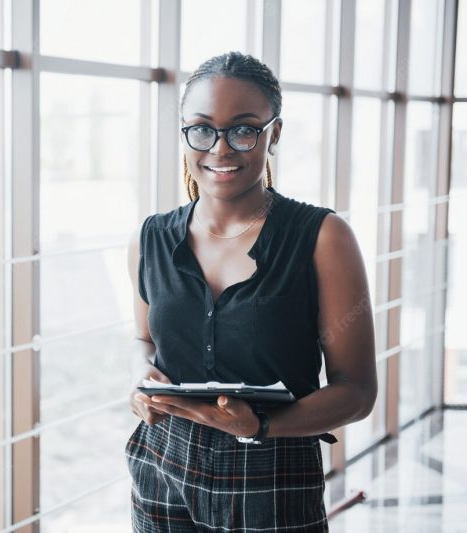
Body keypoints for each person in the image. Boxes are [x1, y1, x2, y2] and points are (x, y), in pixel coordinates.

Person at [124, 51, 377, 532]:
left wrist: (261, 426)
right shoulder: (150, 238)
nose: (220, 149)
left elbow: (358, 392)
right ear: (184, 132)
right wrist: (140, 378)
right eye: (201, 129)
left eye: (243, 129)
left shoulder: (323, 237)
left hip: (271, 472)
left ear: (273, 134)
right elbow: (144, 342)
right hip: (161, 462)